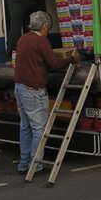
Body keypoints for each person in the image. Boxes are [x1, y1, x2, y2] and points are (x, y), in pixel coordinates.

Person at [14, 11, 79, 174]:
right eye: (48, 27)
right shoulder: (41, 41)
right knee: (39, 129)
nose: (48, 30)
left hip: (20, 88)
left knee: (25, 127)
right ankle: (36, 165)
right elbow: (55, 63)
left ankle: (24, 164)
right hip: (33, 90)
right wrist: (72, 59)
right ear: (44, 26)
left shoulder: (23, 39)